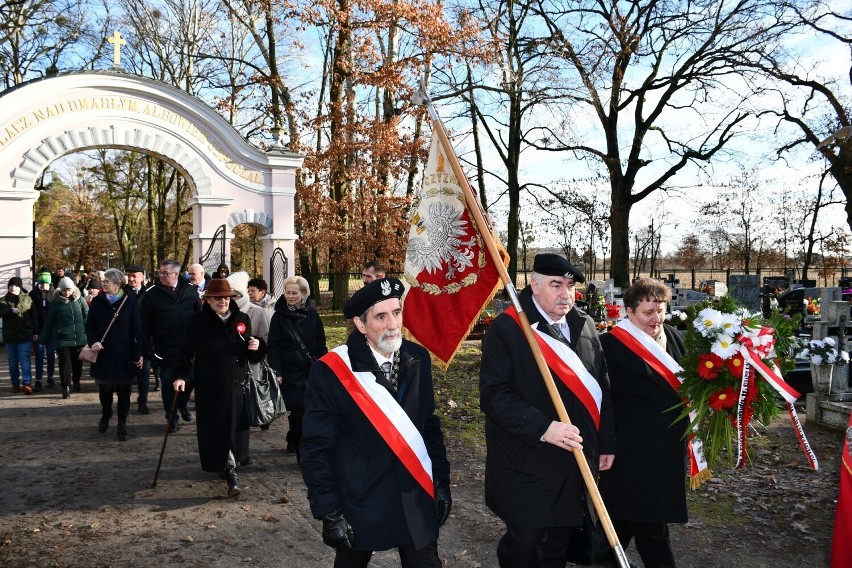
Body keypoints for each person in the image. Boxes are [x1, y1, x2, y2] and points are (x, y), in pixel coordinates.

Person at [300, 277, 451, 566]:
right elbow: (316, 448)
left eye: (396, 312)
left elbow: (428, 426)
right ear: (360, 324)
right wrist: (329, 511)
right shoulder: (332, 371)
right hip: (360, 499)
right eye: (381, 316)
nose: (393, 324)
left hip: (413, 493)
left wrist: (440, 481)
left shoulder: (417, 358)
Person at [479, 253, 615, 567]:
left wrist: (606, 443)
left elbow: (602, 389)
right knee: (525, 543)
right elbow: (495, 397)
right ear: (534, 285)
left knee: (558, 543)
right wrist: (544, 427)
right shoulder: (508, 329)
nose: (565, 293)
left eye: (570, 286)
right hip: (527, 459)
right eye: (556, 285)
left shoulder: (586, 325)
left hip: (576, 458)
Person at [599, 278, 688, 568]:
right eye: (648, 313)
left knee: (622, 523)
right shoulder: (609, 346)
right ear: (628, 312)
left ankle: (605, 559)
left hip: (666, 451)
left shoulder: (674, 337)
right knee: (652, 530)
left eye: (660, 310)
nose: (656, 319)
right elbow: (603, 402)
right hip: (630, 454)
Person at [172, 278, 265, 497]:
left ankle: (231, 465)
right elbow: (185, 351)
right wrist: (180, 375)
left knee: (234, 428)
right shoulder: (197, 321)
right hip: (210, 385)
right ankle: (230, 471)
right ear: (209, 300)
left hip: (236, 384)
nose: (222, 301)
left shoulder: (242, 319)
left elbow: (250, 353)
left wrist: (256, 346)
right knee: (217, 429)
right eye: (216, 298)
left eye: (225, 297)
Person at [267, 276, 327, 460]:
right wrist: (276, 370)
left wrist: (323, 366)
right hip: (288, 370)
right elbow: (273, 345)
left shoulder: (312, 315)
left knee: (306, 410)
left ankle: (299, 446)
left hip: (309, 370)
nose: (290, 296)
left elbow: (320, 342)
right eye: (288, 292)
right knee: (297, 409)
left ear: (304, 294)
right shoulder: (279, 316)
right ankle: (297, 440)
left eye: (295, 293)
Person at [141, 259, 201, 433]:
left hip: (188, 348)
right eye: (160, 272)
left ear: (176, 274)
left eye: (165, 273)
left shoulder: (191, 291)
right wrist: (149, 350)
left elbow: (199, 317)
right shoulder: (152, 294)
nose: (161, 276)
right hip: (164, 349)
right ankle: (171, 416)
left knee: (188, 381)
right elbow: (145, 324)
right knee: (168, 384)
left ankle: (182, 404)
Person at [86, 269, 143, 441]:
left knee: (124, 392)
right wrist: (93, 341)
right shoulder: (97, 302)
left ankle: (122, 424)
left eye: (106, 281)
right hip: (103, 355)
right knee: (105, 390)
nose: (102, 284)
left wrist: (139, 352)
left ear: (117, 284)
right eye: (103, 281)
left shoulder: (130, 302)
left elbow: (138, 329)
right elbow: (89, 326)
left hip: (125, 356)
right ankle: (106, 413)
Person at [40, 277, 88, 399]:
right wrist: (43, 339)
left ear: (73, 289)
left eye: (69, 290)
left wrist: (86, 332)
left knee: (77, 362)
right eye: (64, 290)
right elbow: (49, 322)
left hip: (78, 338)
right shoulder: (55, 303)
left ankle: (76, 381)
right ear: (60, 290)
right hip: (62, 338)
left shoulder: (80, 300)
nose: (67, 293)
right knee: (65, 362)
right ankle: (65, 386)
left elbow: (87, 316)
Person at [0, 276, 38, 394]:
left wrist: (36, 332)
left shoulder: (27, 299)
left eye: (16, 285)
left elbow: (34, 316)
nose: (13, 287)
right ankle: (15, 384)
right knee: (12, 361)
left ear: (20, 287)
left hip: (25, 334)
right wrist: (10, 311)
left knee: (24, 359)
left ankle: (26, 383)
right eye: (11, 285)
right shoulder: (3, 300)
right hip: (10, 336)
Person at [125, 264, 152, 414]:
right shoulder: (122, 292)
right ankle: (125, 401)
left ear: (142, 277)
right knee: (127, 373)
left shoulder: (149, 293)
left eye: (134, 275)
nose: (131, 278)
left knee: (144, 373)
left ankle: (143, 401)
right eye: (129, 275)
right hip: (126, 339)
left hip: (144, 338)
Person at [30, 272, 56, 389]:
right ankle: (39, 379)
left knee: (51, 354)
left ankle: (50, 377)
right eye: (41, 283)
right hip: (39, 329)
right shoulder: (33, 294)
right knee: (39, 354)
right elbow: (31, 313)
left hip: (51, 330)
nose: (43, 285)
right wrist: (34, 331)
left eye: (46, 283)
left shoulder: (54, 294)